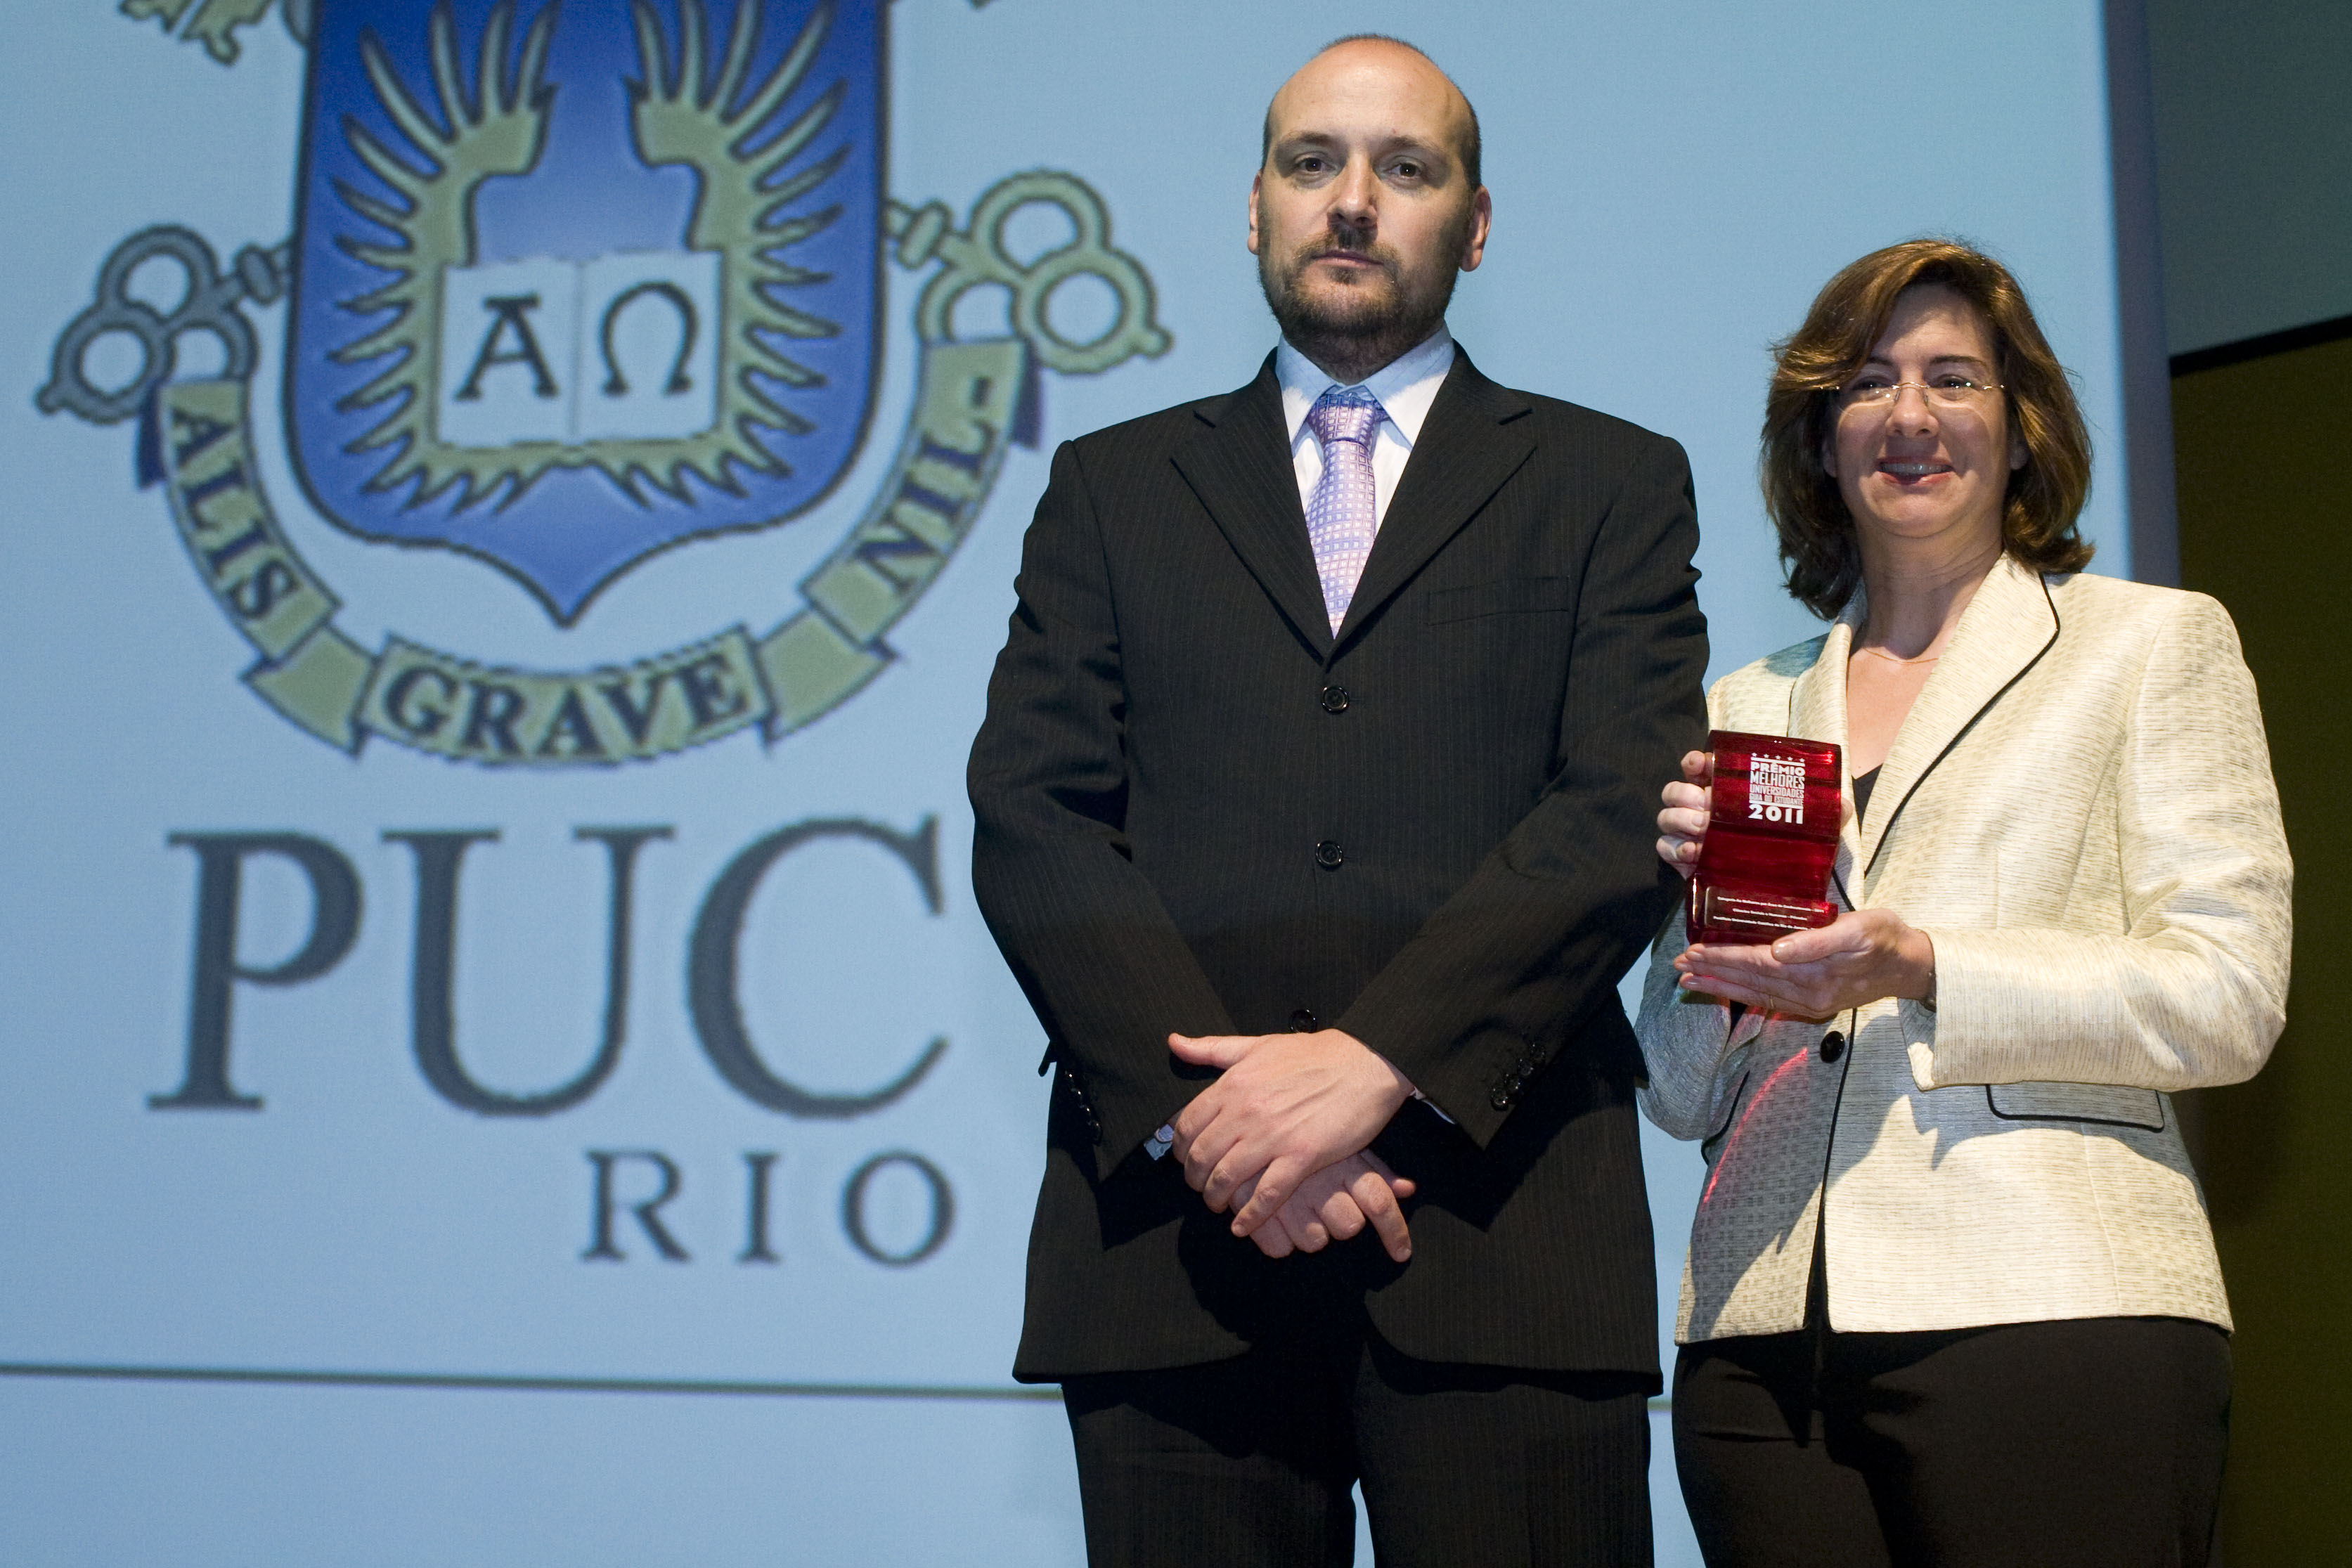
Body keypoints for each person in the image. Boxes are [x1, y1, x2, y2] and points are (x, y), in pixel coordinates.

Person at [968, 33, 1708, 1568]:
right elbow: (1033, 814)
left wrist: (1376, 1063)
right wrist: (1217, 1125)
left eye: (1404, 168)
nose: (1351, 202)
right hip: (1174, 1250)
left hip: (1505, 1241)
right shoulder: (1109, 488)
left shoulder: (1608, 483)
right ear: (1253, 208)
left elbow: (1615, 806)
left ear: (1475, 222)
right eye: (1313, 164)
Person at [1636, 238, 2292, 1567]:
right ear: (1820, 440)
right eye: (1869, 384)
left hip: (2057, 1313)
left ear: (2020, 426)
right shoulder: (1741, 708)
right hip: (1762, 1349)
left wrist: (1926, 961)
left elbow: (2227, 1000)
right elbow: (1673, 1088)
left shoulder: (2151, 645)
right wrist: (1704, 928)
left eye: (1954, 379)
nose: (1911, 417)